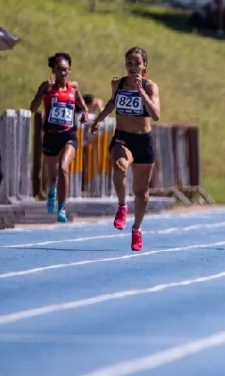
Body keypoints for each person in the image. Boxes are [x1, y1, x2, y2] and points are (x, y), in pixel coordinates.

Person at [89, 47, 161, 251]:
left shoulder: (150, 87)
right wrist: (99, 120)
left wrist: (140, 92)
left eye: (137, 63)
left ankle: (137, 229)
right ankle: (122, 206)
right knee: (120, 166)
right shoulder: (117, 83)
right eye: (129, 62)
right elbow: (112, 102)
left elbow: (156, 115)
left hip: (143, 142)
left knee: (141, 192)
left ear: (144, 65)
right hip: (122, 138)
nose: (132, 67)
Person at [28, 52, 89, 223]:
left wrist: (84, 113)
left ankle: (62, 207)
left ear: (70, 70)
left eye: (66, 70)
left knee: (63, 168)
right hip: (50, 136)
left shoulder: (73, 88)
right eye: (59, 70)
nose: (63, 73)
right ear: (54, 70)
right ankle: (51, 193)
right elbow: (33, 108)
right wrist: (42, 94)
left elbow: (83, 106)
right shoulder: (47, 87)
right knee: (53, 176)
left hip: (68, 135)